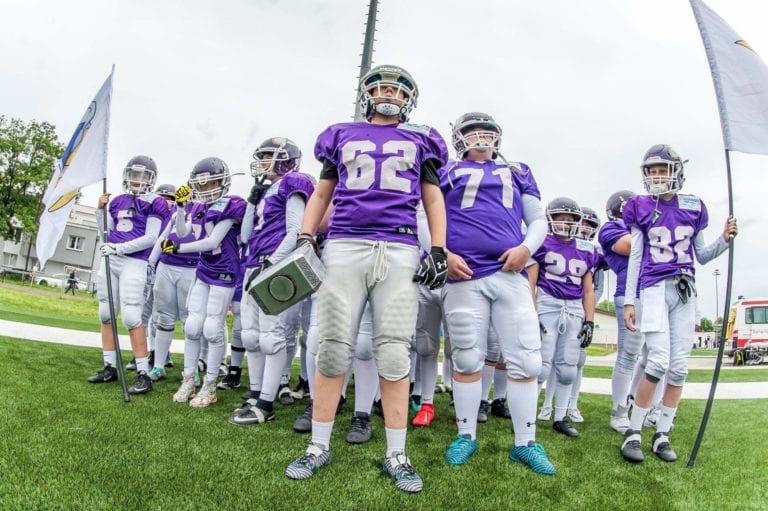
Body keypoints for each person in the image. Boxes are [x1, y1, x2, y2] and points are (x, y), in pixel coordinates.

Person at [285, 64, 448, 493]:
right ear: (368, 93)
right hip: (344, 242)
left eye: (397, 87)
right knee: (333, 346)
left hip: (397, 246)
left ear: (409, 97)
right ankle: (318, 445)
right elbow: (323, 192)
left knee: (394, 352)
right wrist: (306, 235)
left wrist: (438, 248)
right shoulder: (340, 133)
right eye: (382, 86)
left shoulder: (422, 137)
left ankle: (397, 452)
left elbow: (432, 197)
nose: (390, 92)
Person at [439, 112, 554, 473]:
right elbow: (426, 214)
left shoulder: (517, 169)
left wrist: (527, 249)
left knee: (526, 359)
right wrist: (443, 253)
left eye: (487, 132)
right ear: (460, 138)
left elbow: (538, 220)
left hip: (509, 272)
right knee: (468, 358)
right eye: (473, 132)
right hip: (464, 273)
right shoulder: (446, 170)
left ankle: (525, 443)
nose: (481, 137)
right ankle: (465, 435)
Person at [621, 144, 737, 463]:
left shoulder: (694, 205)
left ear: (676, 172)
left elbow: (701, 256)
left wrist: (725, 241)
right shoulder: (640, 205)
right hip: (655, 287)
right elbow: (634, 255)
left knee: (680, 366)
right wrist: (630, 299)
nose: (657, 176)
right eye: (651, 171)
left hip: (685, 290)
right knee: (658, 361)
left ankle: (662, 434)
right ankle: (633, 432)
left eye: (662, 169)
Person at [228, 137, 314, 425]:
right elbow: (244, 235)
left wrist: (274, 261)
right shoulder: (266, 191)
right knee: (251, 335)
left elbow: (296, 230)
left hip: (274, 263)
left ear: (285, 159)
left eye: (267, 156)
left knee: (272, 336)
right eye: (262, 156)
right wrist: (253, 201)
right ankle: (255, 393)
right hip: (254, 261)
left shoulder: (294, 181)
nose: (262, 161)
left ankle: (266, 403)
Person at [165, 157, 245, 407]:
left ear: (222, 182)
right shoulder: (198, 207)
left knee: (212, 328)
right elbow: (181, 232)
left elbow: (212, 242)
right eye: (202, 184)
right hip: (204, 270)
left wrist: (178, 250)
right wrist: (179, 207)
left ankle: (210, 385)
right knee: (191, 326)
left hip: (224, 272)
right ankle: (188, 378)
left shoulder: (232, 205)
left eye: (211, 183)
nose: (207, 188)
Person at [88, 155, 170, 394]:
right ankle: (109, 366)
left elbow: (151, 237)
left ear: (152, 179)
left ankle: (143, 372)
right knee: (106, 313)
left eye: (143, 175)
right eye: (134, 174)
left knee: (132, 316)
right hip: (111, 259)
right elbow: (106, 235)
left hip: (134, 261)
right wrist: (99, 212)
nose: (137, 180)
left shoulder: (156, 202)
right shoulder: (117, 201)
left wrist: (118, 248)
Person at [530, 197, 595, 438]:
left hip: (575, 308)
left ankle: (560, 417)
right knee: (542, 365)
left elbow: (589, 290)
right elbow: (531, 283)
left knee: (568, 367)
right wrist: (531, 312)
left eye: (571, 220)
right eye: (561, 219)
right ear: (550, 219)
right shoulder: (542, 243)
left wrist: (589, 320)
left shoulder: (587, 249)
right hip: (548, 303)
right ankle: (528, 414)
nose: (566, 224)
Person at [598, 190, 643, 434]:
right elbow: (631, 247)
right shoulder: (610, 229)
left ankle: (641, 402)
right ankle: (619, 411)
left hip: (654, 293)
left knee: (652, 356)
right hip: (630, 294)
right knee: (629, 354)